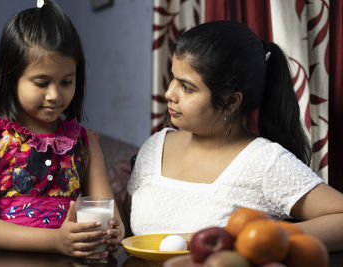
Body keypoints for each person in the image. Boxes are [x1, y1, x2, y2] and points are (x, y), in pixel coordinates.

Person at [126, 20, 343, 251]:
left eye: (187, 87)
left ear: (231, 101)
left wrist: (260, 238)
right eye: (173, 78)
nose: (169, 93)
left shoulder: (264, 162)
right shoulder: (154, 148)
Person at [0, 0, 124, 258]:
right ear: (11, 78)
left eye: (66, 81)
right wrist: (56, 240)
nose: (54, 95)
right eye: (41, 82)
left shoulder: (84, 142)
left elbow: (111, 216)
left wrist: (113, 233)